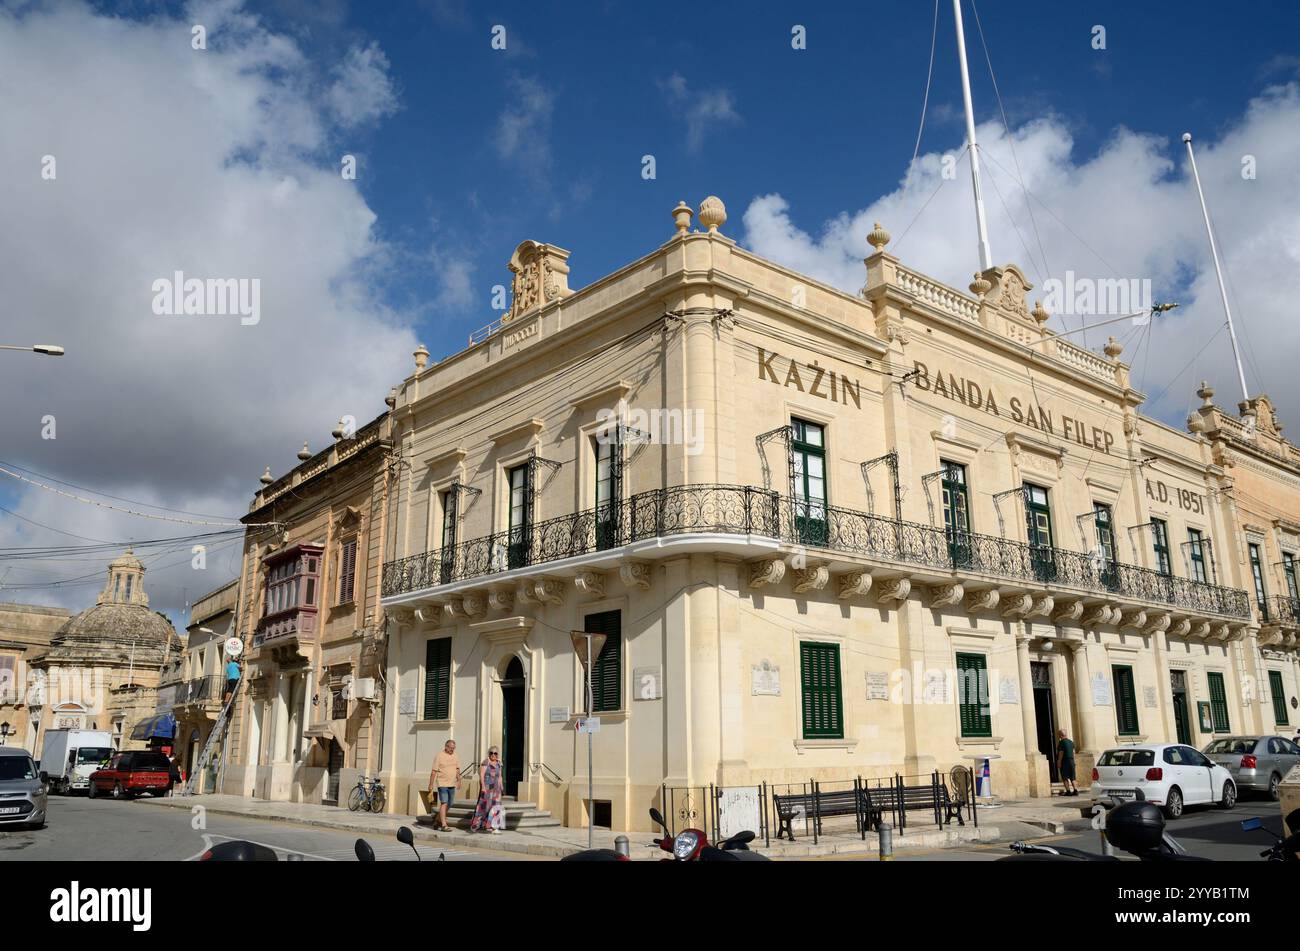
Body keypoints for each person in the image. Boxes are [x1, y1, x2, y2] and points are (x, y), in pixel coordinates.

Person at [470, 747, 505, 834]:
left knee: (497, 807)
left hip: (496, 789)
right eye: (491, 753)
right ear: (489, 754)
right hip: (487, 788)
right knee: (484, 807)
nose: (493, 755)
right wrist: (483, 787)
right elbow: (482, 775)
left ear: (498, 754)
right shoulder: (486, 762)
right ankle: (476, 825)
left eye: (495, 753)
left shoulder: (499, 763)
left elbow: (500, 776)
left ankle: (494, 827)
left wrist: (502, 787)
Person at [427, 740, 461, 832]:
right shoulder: (439, 756)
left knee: (450, 803)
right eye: (451, 748)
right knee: (444, 803)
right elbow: (434, 771)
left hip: (452, 784)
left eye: (454, 748)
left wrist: (459, 780)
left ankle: (437, 819)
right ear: (446, 747)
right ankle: (443, 825)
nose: (452, 750)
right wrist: (430, 784)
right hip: (442, 784)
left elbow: (457, 769)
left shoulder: (455, 755)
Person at [1056, 728, 1078, 796]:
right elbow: (1073, 752)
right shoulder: (1071, 742)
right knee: (1072, 777)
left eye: (1059, 734)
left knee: (1064, 776)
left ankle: (1068, 791)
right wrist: (1074, 761)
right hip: (1071, 761)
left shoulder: (1061, 742)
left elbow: (1061, 752)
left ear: (1060, 735)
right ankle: (1075, 790)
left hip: (1065, 761)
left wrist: (1059, 761)